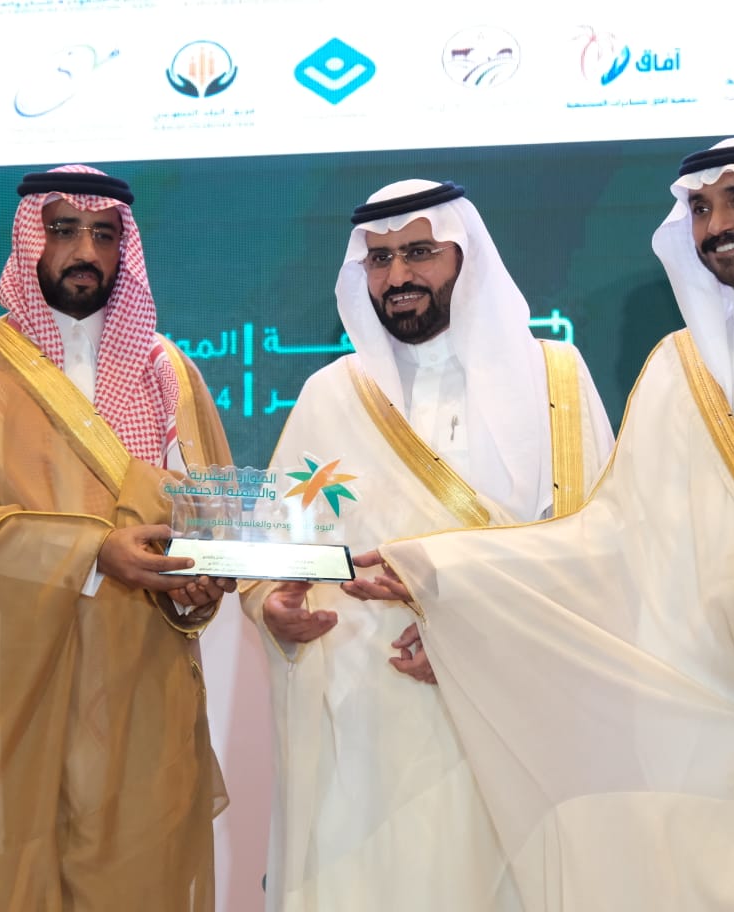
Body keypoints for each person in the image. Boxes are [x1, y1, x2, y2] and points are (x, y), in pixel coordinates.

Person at [362, 139, 734, 910]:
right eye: (700, 208)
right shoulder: (676, 368)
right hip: (708, 716)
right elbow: (611, 539)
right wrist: (444, 578)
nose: (718, 225)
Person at [239, 179, 615, 911]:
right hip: (364, 731)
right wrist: (271, 606)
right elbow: (276, 546)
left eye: (419, 252)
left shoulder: (554, 382)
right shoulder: (331, 395)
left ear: (463, 257)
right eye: (379, 259)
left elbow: (594, 550)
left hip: (506, 707)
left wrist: (469, 629)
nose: (398, 276)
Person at [0, 165, 235, 911]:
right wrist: (92, 551)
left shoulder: (170, 373)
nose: (85, 251)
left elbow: (211, 517)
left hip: (138, 693)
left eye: (104, 235)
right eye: (63, 229)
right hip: (11, 689)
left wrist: (201, 584)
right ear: (28, 240)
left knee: (135, 883)